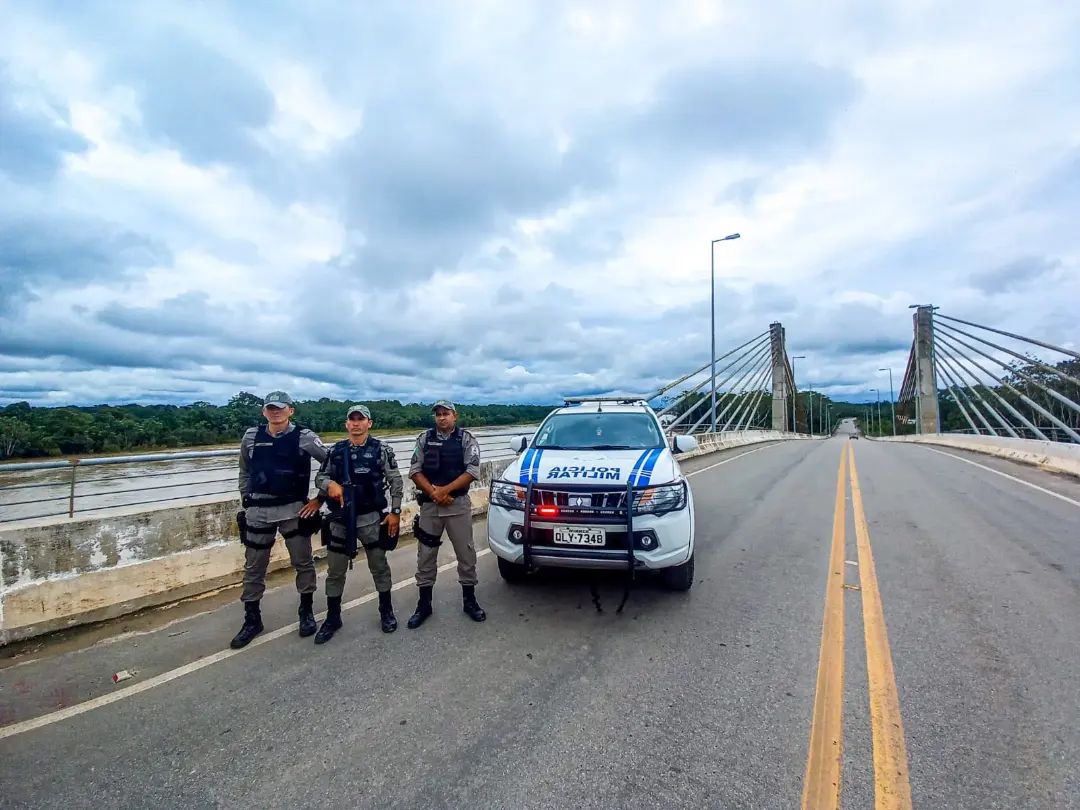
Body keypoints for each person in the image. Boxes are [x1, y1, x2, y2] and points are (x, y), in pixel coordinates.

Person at [232, 391, 327, 649]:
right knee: (254, 567)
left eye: (280, 408)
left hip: (293, 510)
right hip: (258, 511)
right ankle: (252, 619)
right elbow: (244, 470)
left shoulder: (304, 437)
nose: (275, 412)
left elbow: (330, 463)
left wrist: (318, 499)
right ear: (264, 411)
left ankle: (306, 612)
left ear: (290, 410)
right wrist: (246, 498)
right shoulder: (251, 436)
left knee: (303, 562)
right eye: (270, 408)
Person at [312, 404, 403, 643]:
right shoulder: (336, 451)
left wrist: (394, 512)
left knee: (379, 566)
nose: (355, 423)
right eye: (351, 420)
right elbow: (320, 477)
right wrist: (329, 485)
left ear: (368, 423)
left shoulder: (380, 450)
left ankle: (386, 611)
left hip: (371, 518)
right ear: (346, 424)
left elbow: (395, 481)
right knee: (335, 571)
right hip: (341, 519)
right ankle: (333, 617)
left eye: (360, 419)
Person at [406, 400, 487, 628]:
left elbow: (472, 470)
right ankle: (424, 604)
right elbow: (414, 469)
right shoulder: (424, 439)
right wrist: (434, 493)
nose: (441, 417)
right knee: (426, 555)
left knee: (466, 553)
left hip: (457, 505)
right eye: (438, 414)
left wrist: (445, 490)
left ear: (454, 415)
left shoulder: (466, 439)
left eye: (446, 413)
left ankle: (469, 600)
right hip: (431, 508)